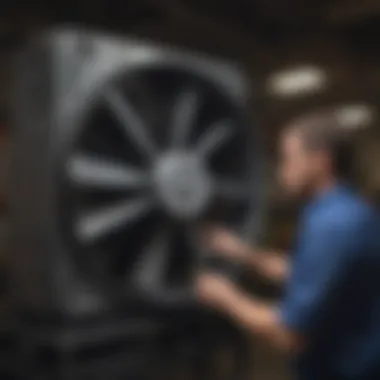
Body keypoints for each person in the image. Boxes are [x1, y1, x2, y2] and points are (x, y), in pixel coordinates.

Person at [196, 111, 380, 380]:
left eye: (288, 158)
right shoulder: (346, 211)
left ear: (320, 161)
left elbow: (289, 334)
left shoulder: (332, 227)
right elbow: (306, 274)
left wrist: (223, 296)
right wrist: (240, 252)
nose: (281, 169)